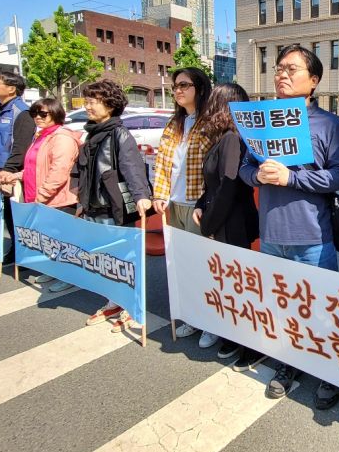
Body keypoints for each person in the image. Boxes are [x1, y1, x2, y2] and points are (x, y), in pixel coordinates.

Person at [239, 44, 339, 408]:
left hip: (313, 237)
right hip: (272, 234)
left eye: (292, 69)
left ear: (314, 80)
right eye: (279, 68)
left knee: (322, 309)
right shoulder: (261, 118)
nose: (282, 75)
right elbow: (244, 169)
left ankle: (329, 373)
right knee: (284, 308)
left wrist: (292, 178)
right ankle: (288, 365)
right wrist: (256, 174)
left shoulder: (327, 123)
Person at [77, 80, 153, 332]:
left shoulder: (119, 134)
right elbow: (84, 173)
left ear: (110, 105)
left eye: (92, 101)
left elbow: (133, 169)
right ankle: (114, 301)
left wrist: (142, 195)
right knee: (104, 260)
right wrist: (81, 202)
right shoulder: (91, 134)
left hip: (113, 209)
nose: (87, 105)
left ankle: (133, 306)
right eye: (86, 100)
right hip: (93, 207)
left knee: (124, 260)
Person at [192, 83, 260, 361]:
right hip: (222, 220)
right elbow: (213, 184)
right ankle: (235, 337)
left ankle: (252, 345)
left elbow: (228, 187)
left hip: (232, 225)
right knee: (230, 284)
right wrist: (200, 205)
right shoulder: (224, 138)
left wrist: (208, 224)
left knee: (239, 286)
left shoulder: (232, 138)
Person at [151, 67, 216, 346]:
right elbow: (163, 164)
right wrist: (159, 194)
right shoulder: (174, 123)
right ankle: (192, 315)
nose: (178, 90)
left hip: (197, 204)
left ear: (199, 89)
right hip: (174, 203)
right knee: (182, 266)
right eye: (175, 86)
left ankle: (212, 322)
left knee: (203, 265)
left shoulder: (210, 122)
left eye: (184, 85)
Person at [0, 98, 81, 293]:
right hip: (40, 198)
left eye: (43, 114)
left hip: (59, 199)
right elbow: (35, 168)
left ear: (56, 113)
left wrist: (41, 196)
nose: (38, 117)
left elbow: (58, 172)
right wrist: (15, 176)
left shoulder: (62, 138)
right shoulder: (41, 136)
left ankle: (67, 275)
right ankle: (54, 270)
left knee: (63, 242)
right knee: (49, 240)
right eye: (35, 113)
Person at [0, 72, 35, 265]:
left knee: (15, 216)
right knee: (5, 214)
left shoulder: (21, 112)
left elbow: (20, 146)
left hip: (7, 173)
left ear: (12, 88)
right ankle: (14, 250)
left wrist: (10, 170)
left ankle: (20, 254)